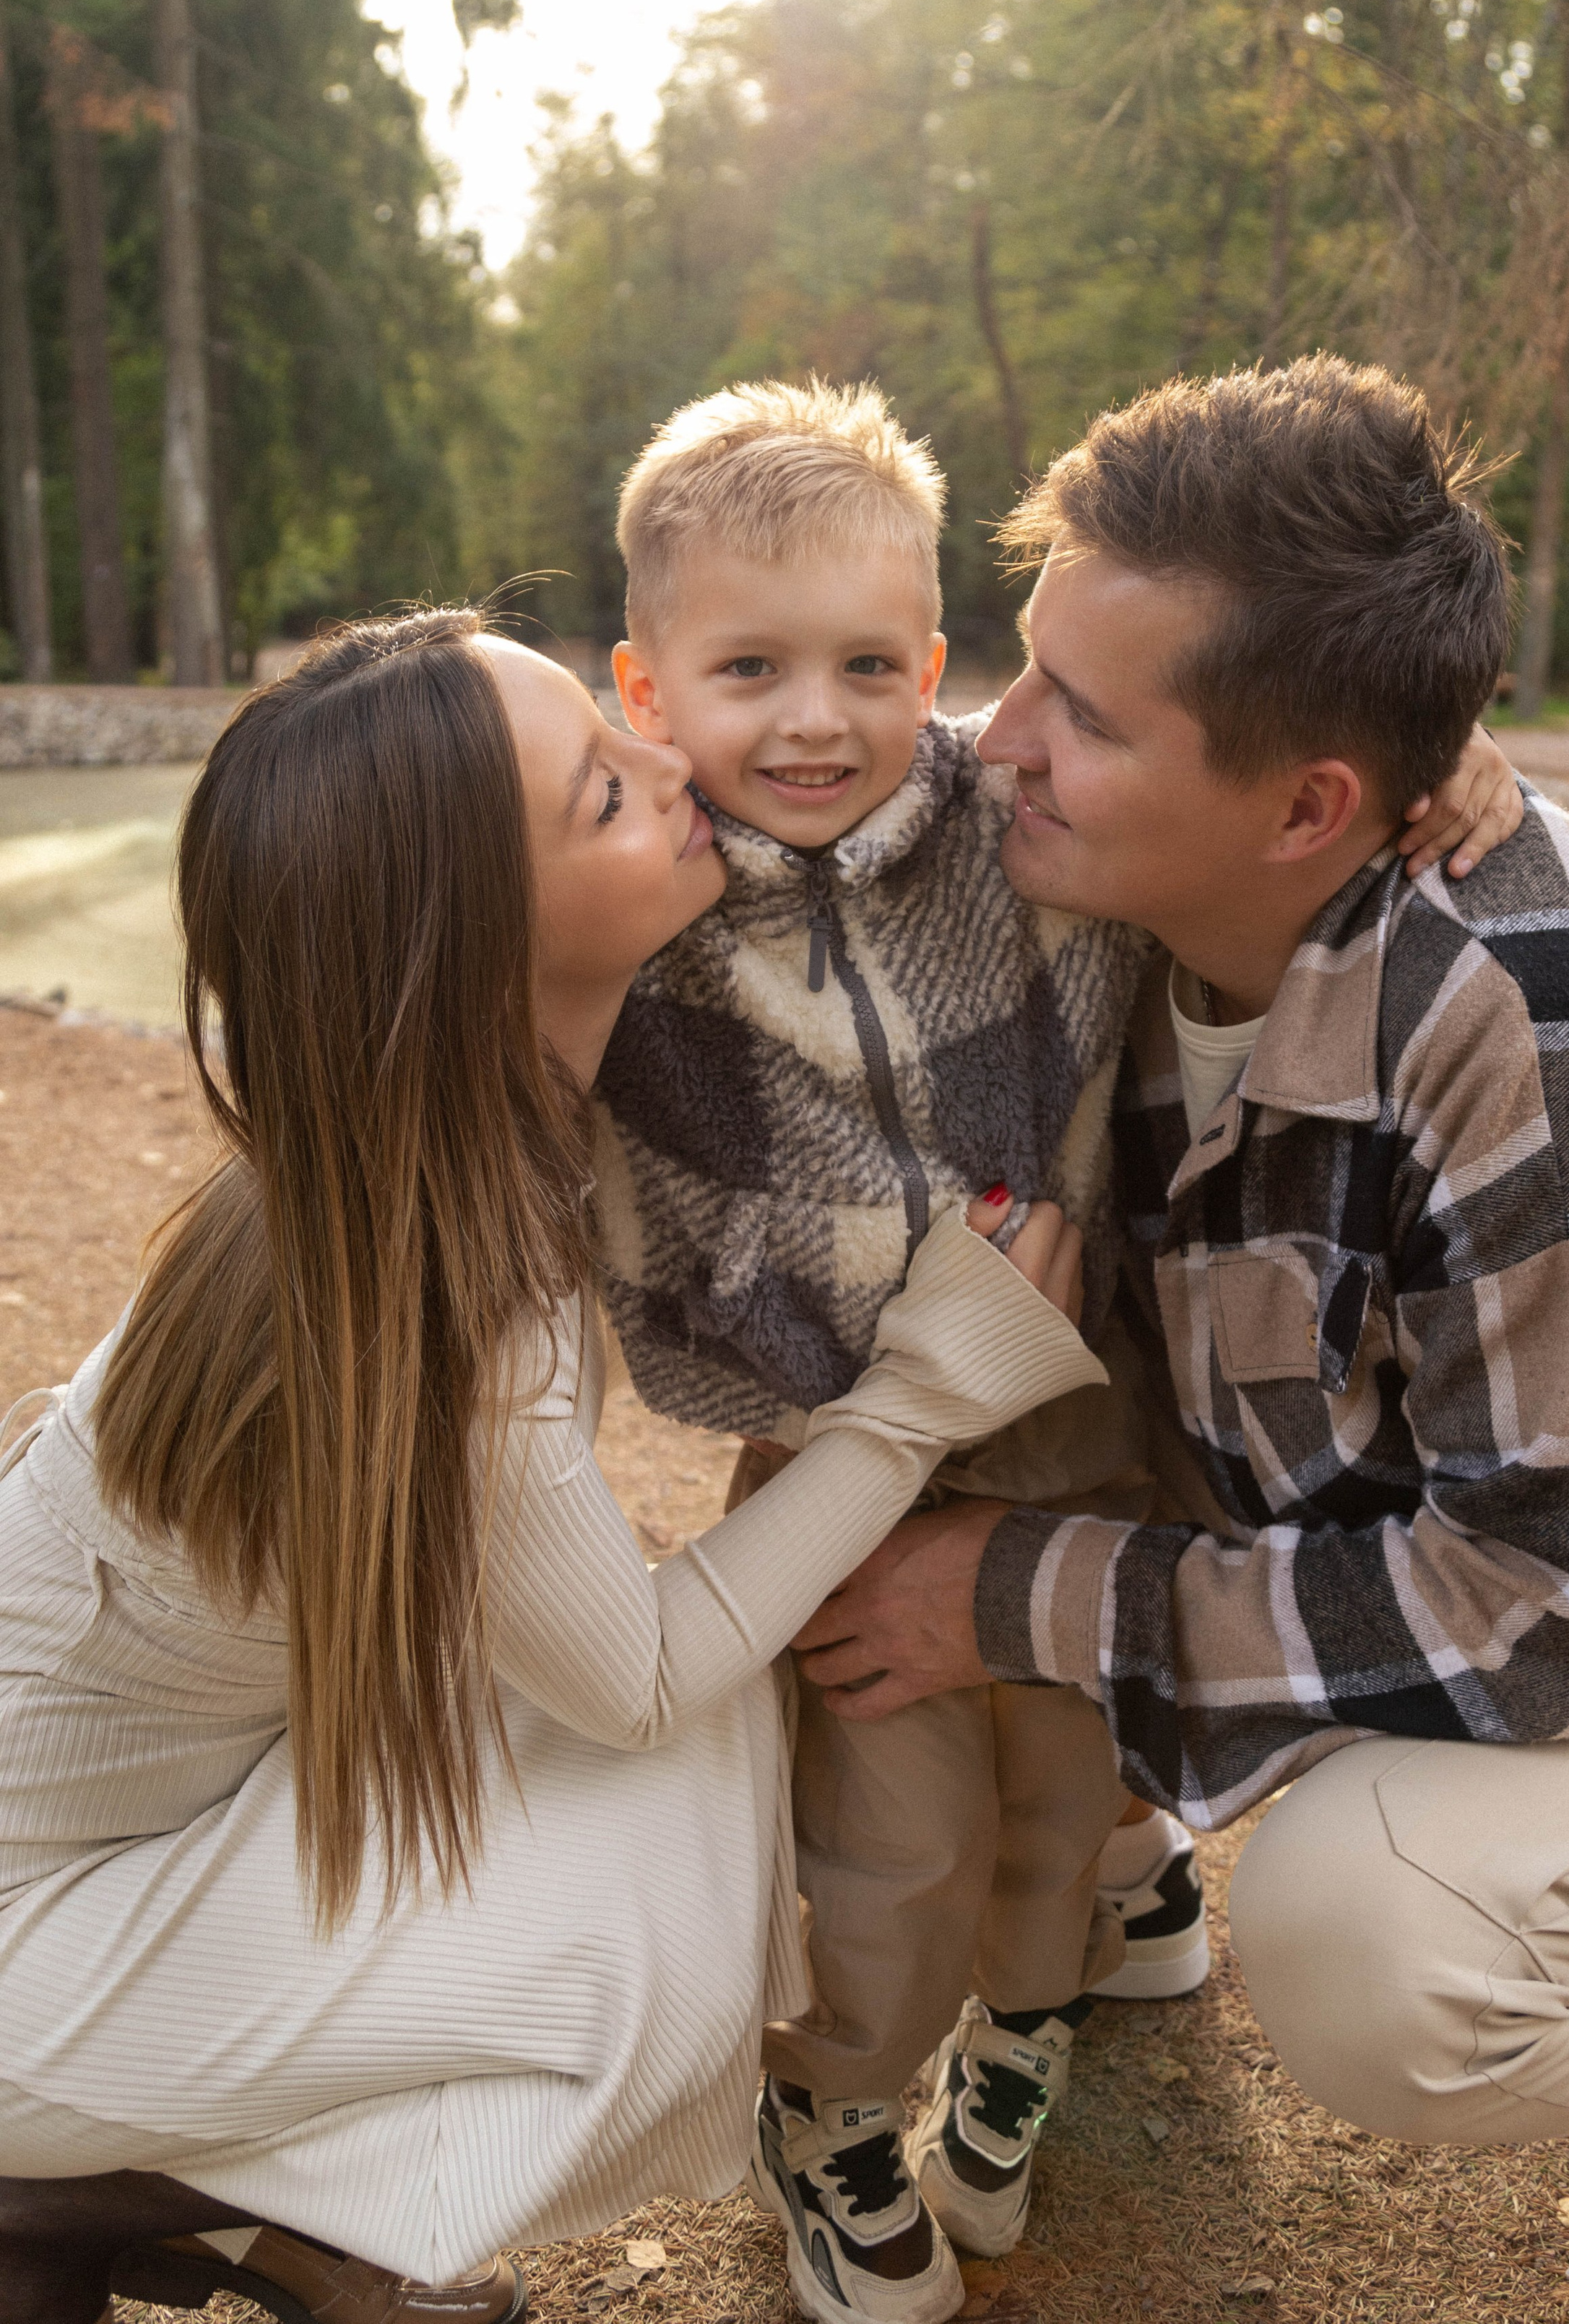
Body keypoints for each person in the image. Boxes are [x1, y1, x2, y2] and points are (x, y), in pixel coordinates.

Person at [790, 360, 1569, 2324]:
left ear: (1309, 805)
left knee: (1378, 1940)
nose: (989, 745)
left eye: (1080, 717)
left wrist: (1015, 1589)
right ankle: (1114, 1864)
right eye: (1022, 671)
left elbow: (1539, 1622)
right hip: (1331, 1485)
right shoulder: (1125, 867)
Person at [0, 610, 1106, 2324]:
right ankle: (111, 2186)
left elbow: (881, 765)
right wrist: (914, 1401)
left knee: (627, 1737)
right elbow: (647, 1680)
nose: (676, 768)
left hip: (129, 1826)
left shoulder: (387, 1156)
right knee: (665, 1851)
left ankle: (213, 2186)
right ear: (479, 941)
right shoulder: (451, 1301)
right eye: (605, 790)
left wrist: (1402, 748)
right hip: (27, 1948)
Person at [595, 376, 1523, 2320]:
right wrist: (883, 1324)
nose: (817, 719)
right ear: (648, 690)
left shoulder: (1007, 825)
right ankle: (835, 2106)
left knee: (1072, 1780)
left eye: (870, 665)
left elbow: (1254, 791)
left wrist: (1458, 774)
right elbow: (498, 953)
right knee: (891, 1842)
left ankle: (1047, 2000)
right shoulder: (654, 911)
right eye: (748, 669)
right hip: (857, 1453)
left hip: (1096, 1411)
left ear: (934, 665)